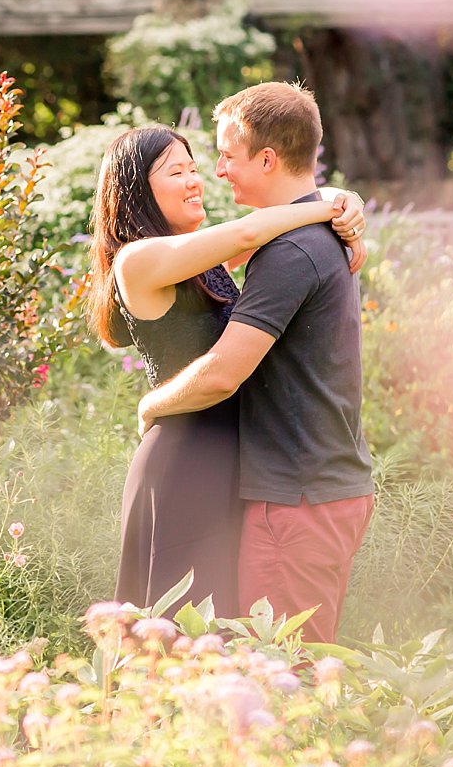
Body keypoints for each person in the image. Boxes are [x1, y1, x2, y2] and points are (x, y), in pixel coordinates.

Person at [87, 124, 366, 618]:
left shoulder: (195, 253)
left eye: (195, 168)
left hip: (232, 460)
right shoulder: (138, 260)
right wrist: (330, 206)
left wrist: (345, 201)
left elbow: (270, 231)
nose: (197, 180)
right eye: (177, 172)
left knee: (231, 627)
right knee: (183, 629)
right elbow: (250, 230)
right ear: (136, 190)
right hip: (185, 461)